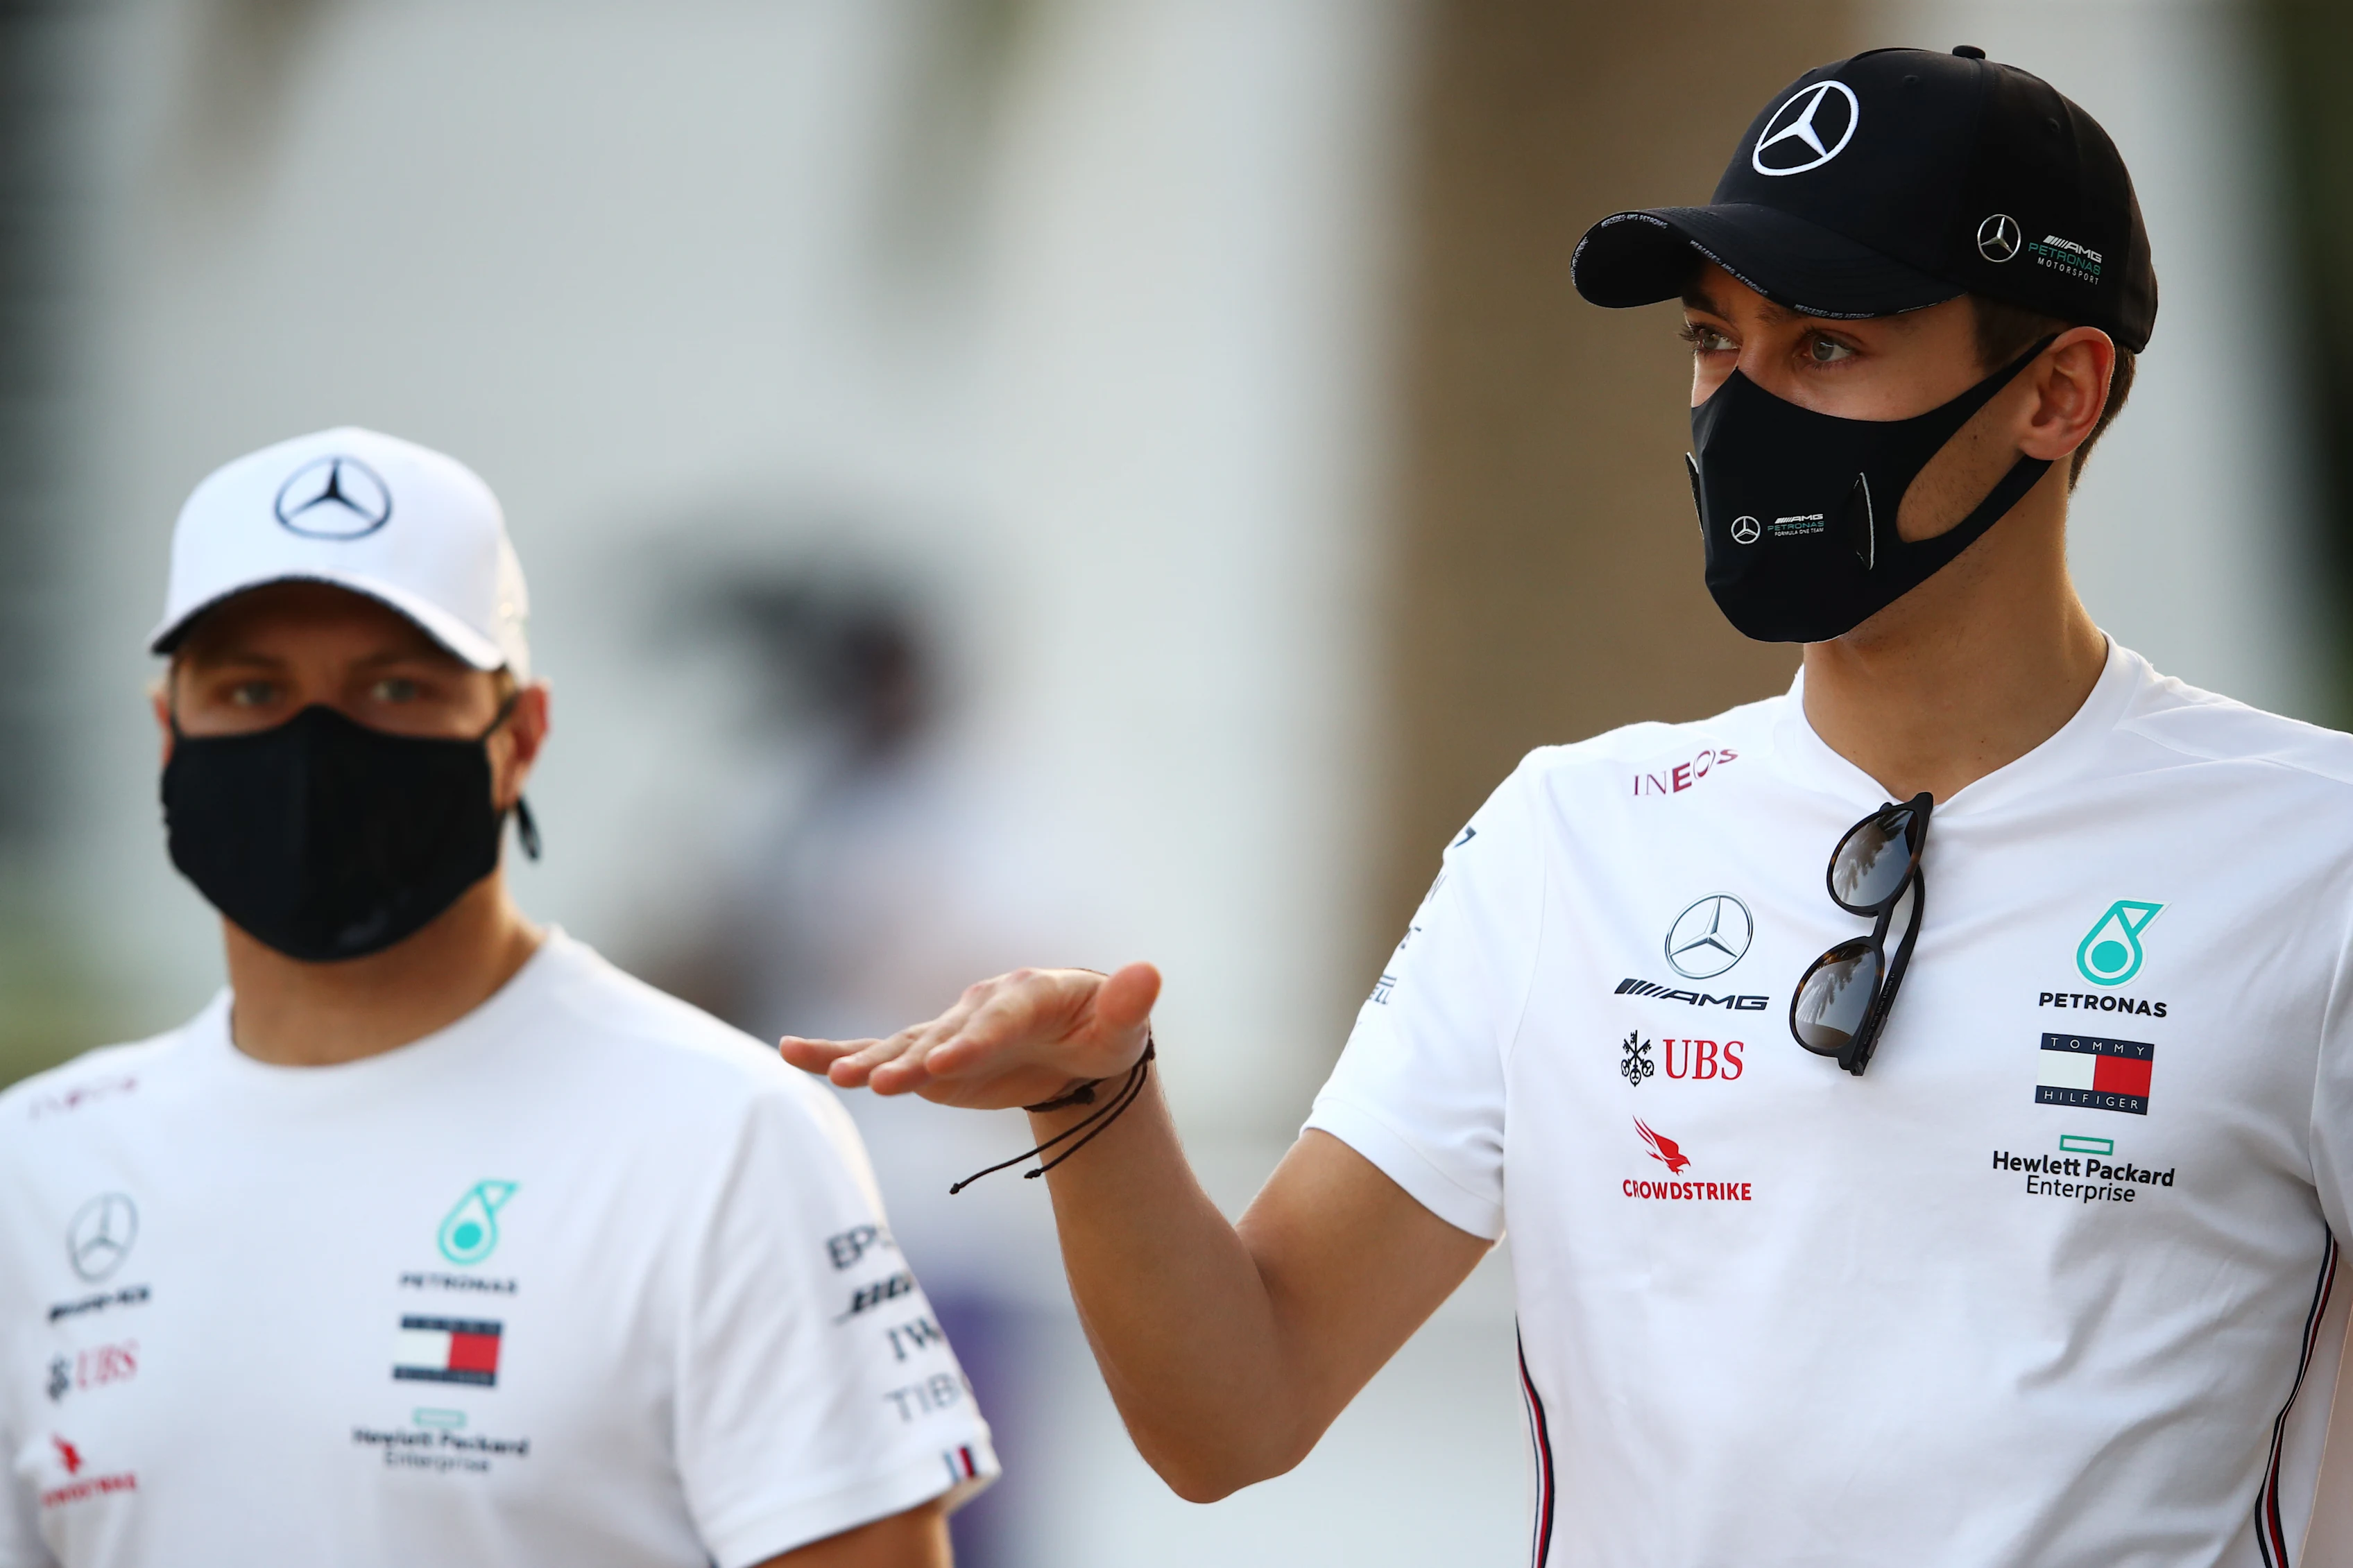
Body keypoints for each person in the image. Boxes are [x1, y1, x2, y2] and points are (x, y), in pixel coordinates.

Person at [782, 46, 2353, 1566]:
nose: (1739, 408)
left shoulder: (2312, 854)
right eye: (1712, 341)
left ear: (2058, 393)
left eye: (1823, 346)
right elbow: (1232, 1411)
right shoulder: (1568, 838)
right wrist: (1094, 1105)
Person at [0, 428, 995, 1567]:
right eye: (253, 687)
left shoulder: (724, 1135)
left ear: (518, 737)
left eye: (393, 687)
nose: (316, 745)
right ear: (171, 734)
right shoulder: (38, 1163)